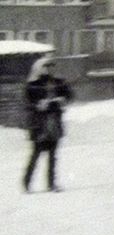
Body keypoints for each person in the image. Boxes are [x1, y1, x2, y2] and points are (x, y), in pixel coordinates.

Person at [21, 56, 72, 193]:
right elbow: (28, 103)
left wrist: (62, 99)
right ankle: (26, 183)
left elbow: (68, 94)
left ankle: (51, 183)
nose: (49, 69)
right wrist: (38, 105)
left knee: (53, 155)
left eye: (51, 67)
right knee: (36, 154)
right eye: (46, 67)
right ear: (39, 68)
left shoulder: (58, 82)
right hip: (40, 125)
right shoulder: (33, 85)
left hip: (54, 123)